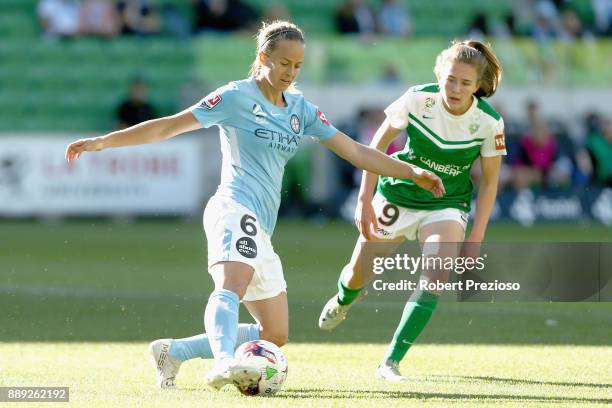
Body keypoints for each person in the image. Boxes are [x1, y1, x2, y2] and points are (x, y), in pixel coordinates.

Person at [65, 20, 444, 391]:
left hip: (261, 226)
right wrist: (103, 142)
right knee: (231, 285)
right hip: (233, 207)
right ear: (264, 56)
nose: (290, 72)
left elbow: (357, 151)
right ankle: (223, 362)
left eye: (297, 66)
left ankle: (173, 351)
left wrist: (410, 171)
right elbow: (169, 126)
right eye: (284, 63)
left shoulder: (301, 109)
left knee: (274, 334)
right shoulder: (235, 97)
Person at [318, 40, 506, 381]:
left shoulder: (489, 123)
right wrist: (364, 199)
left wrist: (476, 235)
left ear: (478, 85)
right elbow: (375, 147)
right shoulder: (418, 98)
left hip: (446, 203)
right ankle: (344, 299)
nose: (456, 88)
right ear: (439, 74)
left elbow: (491, 183)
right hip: (397, 194)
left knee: (436, 275)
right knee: (359, 274)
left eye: (465, 83)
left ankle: (390, 361)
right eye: (450, 79)